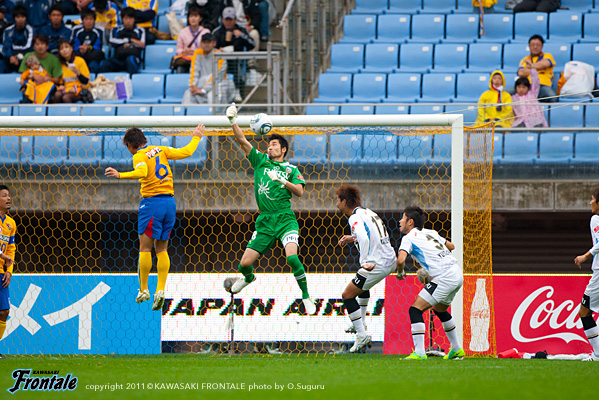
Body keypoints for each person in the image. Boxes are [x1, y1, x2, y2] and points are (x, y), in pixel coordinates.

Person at [224, 103, 316, 315]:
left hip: (285, 219)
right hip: (265, 221)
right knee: (244, 265)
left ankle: (306, 296)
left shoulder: (291, 169)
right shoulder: (260, 161)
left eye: (274, 145)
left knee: (292, 258)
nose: (270, 147)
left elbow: (300, 192)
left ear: (283, 149)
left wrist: (282, 181)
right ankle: (249, 278)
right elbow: (242, 141)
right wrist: (233, 122)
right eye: (269, 145)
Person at [104, 124, 204, 311]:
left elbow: (142, 172)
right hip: (170, 203)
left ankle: (143, 289)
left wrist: (120, 175)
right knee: (162, 248)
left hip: (152, 204)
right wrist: (196, 137)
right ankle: (160, 289)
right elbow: (186, 152)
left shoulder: (139, 156)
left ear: (130, 146)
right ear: (144, 140)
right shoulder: (161, 150)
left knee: (144, 247)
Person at [396, 206, 465, 360]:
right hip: (456, 273)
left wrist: (400, 273)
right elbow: (451, 246)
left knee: (415, 310)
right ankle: (456, 349)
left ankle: (420, 353)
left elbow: (400, 260)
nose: (400, 221)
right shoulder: (431, 233)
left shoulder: (408, 238)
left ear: (410, 222)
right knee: (440, 310)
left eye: (403, 218)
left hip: (444, 277)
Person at [336, 185, 397, 353]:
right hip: (389, 258)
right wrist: (352, 237)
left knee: (347, 295)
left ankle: (362, 334)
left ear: (344, 201)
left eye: (338, 200)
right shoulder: (368, 212)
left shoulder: (353, 217)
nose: (336, 204)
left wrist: (365, 261)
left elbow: (364, 236)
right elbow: (371, 234)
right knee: (362, 287)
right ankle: (360, 322)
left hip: (378, 263)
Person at [573, 187, 599, 362]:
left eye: (592, 199)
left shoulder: (596, 218)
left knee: (584, 311)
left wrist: (585, 255)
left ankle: (597, 354)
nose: (590, 202)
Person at [212, 7, 254, 98]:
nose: (228, 22)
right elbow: (211, 47)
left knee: (236, 62)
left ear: (235, 19)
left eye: (230, 19)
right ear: (222, 19)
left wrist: (241, 35)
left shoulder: (241, 30)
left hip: (237, 59)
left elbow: (252, 44)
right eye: (226, 19)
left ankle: (237, 89)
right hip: (220, 59)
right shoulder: (217, 32)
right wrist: (218, 50)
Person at [182, 33, 235, 104]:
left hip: (218, 85)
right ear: (200, 43)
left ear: (214, 43)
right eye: (204, 42)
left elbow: (217, 76)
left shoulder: (220, 56)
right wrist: (193, 86)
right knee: (188, 94)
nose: (206, 44)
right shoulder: (197, 53)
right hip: (200, 85)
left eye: (209, 42)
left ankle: (216, 115)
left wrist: (204, 90)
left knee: (212, 95)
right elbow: (194, 71)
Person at [99, 7, 145, 74]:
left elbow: (142, 44)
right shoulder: (115, 30)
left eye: (130, 18)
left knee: (131, 60)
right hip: (118, 58)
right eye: (126, 18)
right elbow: (112, 41)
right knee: (104, 64)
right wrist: (130, 40)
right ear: (122, 19)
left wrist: (121, 42)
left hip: (132, 57)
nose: (128, 21)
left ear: (134, 19)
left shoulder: (140, 30)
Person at [516, 34, 557, 103]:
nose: (535, 47)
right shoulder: (525, 59)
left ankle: (532, 99)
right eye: (532, 45)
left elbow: (544, 64)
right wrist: (536, 69)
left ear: (542, 46)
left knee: (553, 97)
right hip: (526, 87)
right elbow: (521, 73)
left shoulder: (548, 56)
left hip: (542, 86)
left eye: (538, 45)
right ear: (529, 46)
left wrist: (530, 67)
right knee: (506, 94)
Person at [0, 185, 16, 349]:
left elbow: (11, 249)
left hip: (1, 273)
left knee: (4, 312)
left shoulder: (11, 223)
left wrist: (9, 271)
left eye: (9, 196)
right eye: (4, 195)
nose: (8, 198)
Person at [172, 4, 210, 74]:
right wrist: (184, 51)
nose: (193, 19)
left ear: (200, 18)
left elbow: (208, 49)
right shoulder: (182, 32)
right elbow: (178, 50)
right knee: (180, 68)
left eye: (195, 16)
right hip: (186, 59)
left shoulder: (206, 32)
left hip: (200, 59)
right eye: (191, 16)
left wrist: (195, 51)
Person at [0, 5, 33, 74]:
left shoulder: (30, 30)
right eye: (18, 17)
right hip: (11, 58)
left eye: (22, 17)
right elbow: (6, 46)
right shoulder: (8, 30)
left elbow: (29, 47)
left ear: (26, 18)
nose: (20, 19)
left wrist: (16, 55)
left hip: (25, 56)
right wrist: (11, 56)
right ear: (14, 18)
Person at [71, 8, 104, 73]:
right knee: (73, 55)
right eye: (86, 19)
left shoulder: (100, 30)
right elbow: (74, 44)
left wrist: (89, 47)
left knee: (97, 59)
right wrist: (80, 48)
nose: (88, 21)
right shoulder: (76, 29)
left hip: (93, 54)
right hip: (80, 54)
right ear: (82, 20)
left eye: (91, 19)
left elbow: (99, 46)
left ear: (94, 20)